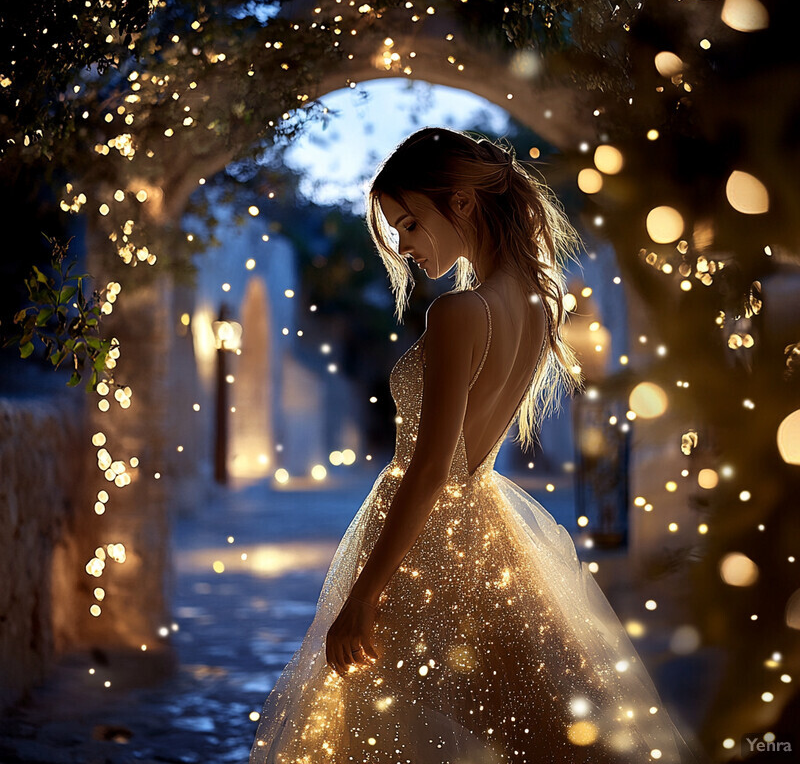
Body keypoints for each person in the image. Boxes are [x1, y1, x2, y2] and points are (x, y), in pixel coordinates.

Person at [249, 127, 701, 763]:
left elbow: (432, 467)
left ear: (460, 202)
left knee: (390, 731)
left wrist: (360, 599)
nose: (404, 247)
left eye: (409, 223)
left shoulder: (459, 312)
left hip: (429, 548)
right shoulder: (543, 301)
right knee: (527, 729)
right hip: (491, 536)